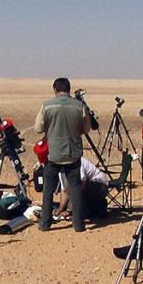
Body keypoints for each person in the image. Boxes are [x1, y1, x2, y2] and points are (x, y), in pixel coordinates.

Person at [34, 77, 91, 232]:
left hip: (53, 154)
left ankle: (45, 223)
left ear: (55, 89)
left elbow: (38, 128)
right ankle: (78, 224)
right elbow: (86, 129)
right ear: (69, 89)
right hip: (73, 154)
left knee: (48, 189)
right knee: (75, 188)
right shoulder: (79, 106)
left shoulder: (47, 106)